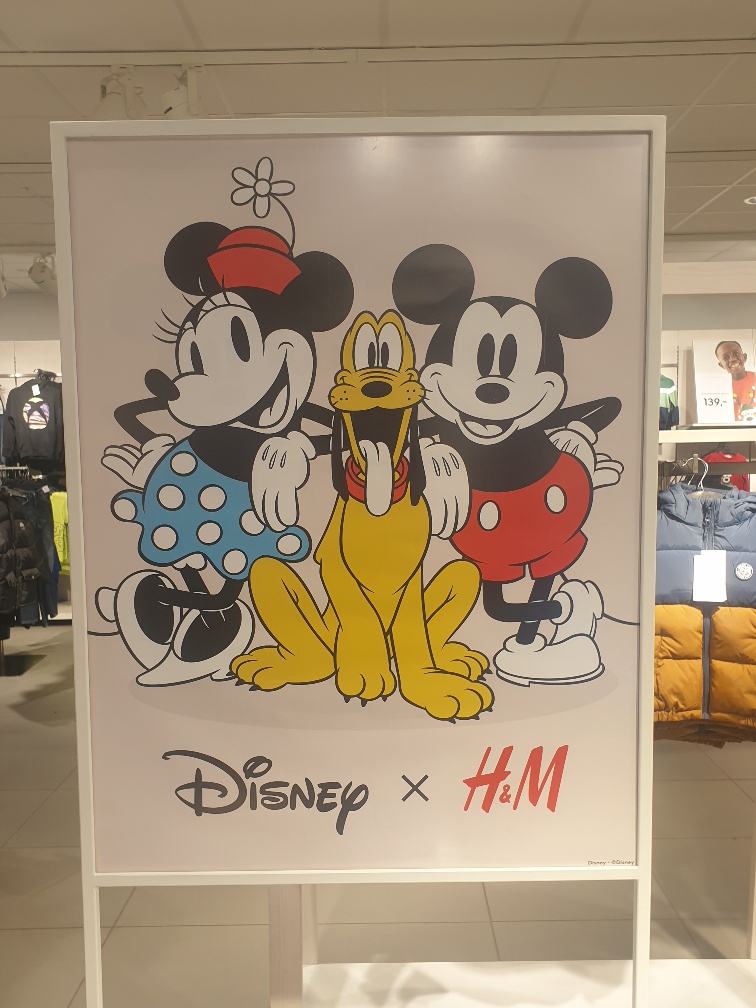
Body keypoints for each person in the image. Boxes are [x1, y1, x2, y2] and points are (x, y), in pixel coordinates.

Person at [715, 340, 756, 420]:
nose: (732, 359)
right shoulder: (719, 389)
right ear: (721, 365)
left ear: (744, 357)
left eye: (736, 354)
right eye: (726, 358)